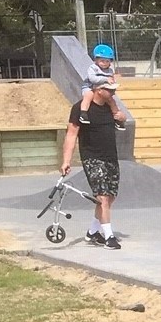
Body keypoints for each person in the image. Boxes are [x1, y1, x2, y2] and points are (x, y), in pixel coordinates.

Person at [59, 75, 124, 249]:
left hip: (111, 156)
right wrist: (66, 161)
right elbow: (71, 135)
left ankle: (93, 232)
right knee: (101, 196)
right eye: (109, 90)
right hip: (92, 157)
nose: (113, 93)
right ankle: (109, 237)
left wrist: (120, 117)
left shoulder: (111, 108)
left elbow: (121, 120)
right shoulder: (81, 109)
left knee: (110, 197)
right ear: (98, 90)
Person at [77, 44, 129, 129]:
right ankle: (83, 113)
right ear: (96, 60)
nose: (104, 63)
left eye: (107, 61)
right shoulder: (93, 68)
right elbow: (92, 79)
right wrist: (105, 79)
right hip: (90, 86)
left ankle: (117, 117)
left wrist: (113, 79)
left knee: (111, 101)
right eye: (102, 61)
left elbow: (110, 79)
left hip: (102, 86)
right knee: (88, 96)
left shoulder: (110, 70)